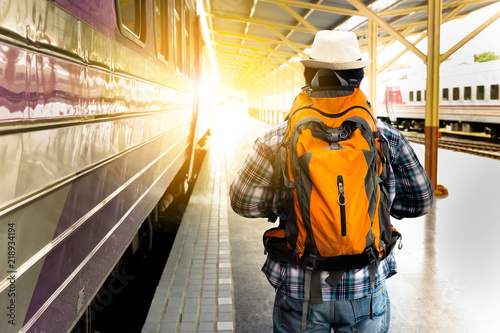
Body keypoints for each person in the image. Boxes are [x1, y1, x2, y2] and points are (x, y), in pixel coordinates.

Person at [229, 30, 434, 333]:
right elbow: (422, 201)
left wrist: (288, 197)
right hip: (365, 287)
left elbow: (243, 203)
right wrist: (378, 201)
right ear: (359, 79)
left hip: (301, 290)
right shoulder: (386, 138)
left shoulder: (277, 139)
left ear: (309, 76)